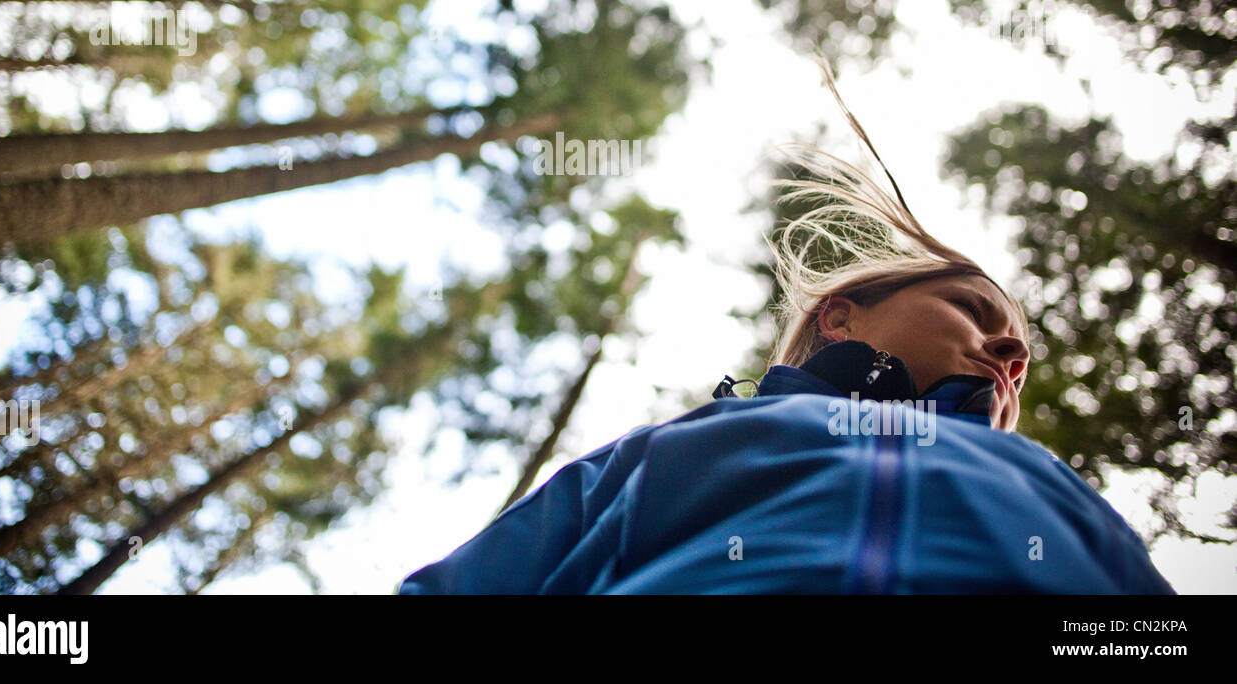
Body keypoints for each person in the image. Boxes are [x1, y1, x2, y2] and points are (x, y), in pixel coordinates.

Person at [398, 66, 1176, 595]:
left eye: (1020, 354)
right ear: (842, 316)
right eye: (974, 311)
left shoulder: (1058, 494)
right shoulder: (687, 447)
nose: (1012, 352)